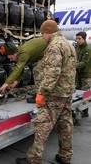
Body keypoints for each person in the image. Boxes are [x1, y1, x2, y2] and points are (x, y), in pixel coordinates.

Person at [16, 20, 76, 164]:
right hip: (66, 92)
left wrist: (42, 92)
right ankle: (65, 156)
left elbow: (52, 72)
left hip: (54, 94)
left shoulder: (54, 46)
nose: (43, 37)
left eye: (43, 34)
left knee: (43, 125)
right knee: (65, 124)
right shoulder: (68, 44)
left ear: (47, 32)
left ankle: (33, 159)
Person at [75, 31, 91, 119]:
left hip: (86, 75)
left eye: (79, 39)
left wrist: (73, 66)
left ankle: (85, 111)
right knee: (78, 94)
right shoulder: (79, 48)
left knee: (85, 95)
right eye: (77, 39)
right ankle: (79, 111)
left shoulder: (88, 49)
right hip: (79, 74)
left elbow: (84, 62)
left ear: (84, 39)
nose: (77, 40)